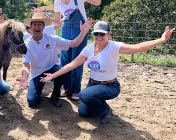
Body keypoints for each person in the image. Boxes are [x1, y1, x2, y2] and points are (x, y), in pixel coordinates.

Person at [41, 21, 175, 123]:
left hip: (110, 86)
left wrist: (162, 40)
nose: (99, 36)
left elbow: (137, 48)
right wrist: (53, 75)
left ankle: (104, 110)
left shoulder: (114, 47)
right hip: (93, 84)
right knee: (83, 112)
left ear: (109, 34)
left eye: (102, 34)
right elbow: (71, 65)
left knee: (84, 95)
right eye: (96, 34)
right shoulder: (89, 48)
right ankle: (100, 104)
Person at [42, 0, 106, 100]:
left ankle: (76, 90)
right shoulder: (57, 2)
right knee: (65, 60)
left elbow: (97, 2)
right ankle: (66, 88)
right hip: (66, 30)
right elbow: (57, 23)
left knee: (77, 60)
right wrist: (44, 15)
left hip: (80, 30)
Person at [17, 13, 93, 108]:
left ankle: (55, 95)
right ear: (31, 27)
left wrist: (83, 32)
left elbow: (74, 44)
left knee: (62, 72)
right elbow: (26, 64)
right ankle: (37, 92)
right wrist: (24, 77)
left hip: (52, 68)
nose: (37, 26)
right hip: (37, 72)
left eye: (39, 24)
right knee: (32, 102)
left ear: (44, 26)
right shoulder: (27, 44)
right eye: (34, 24)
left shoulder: (52, 39)